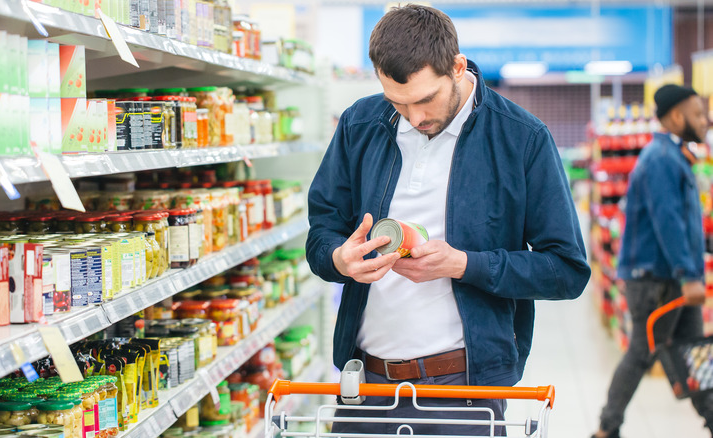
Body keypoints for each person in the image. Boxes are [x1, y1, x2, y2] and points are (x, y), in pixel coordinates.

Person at [305, 5, 590, 436]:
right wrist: (340, 259)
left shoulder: (521, 139)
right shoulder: (359, 125)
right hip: (366, 386)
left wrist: (463, 264)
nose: (413, 118)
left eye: (424, 100)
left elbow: (566, 271)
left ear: (457, 67)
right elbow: (321, 232)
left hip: (464, 392)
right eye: (397, 103)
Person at [592, 85, 713, 438]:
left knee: (695, 352)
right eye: (698, 113)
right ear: (676, 116)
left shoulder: (673, 155)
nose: (705, 120)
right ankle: (606, 428)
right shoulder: (661, 158)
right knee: (642, 354)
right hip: (655, 281)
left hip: (672, 278)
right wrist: (689, 274)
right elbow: (668, 220)